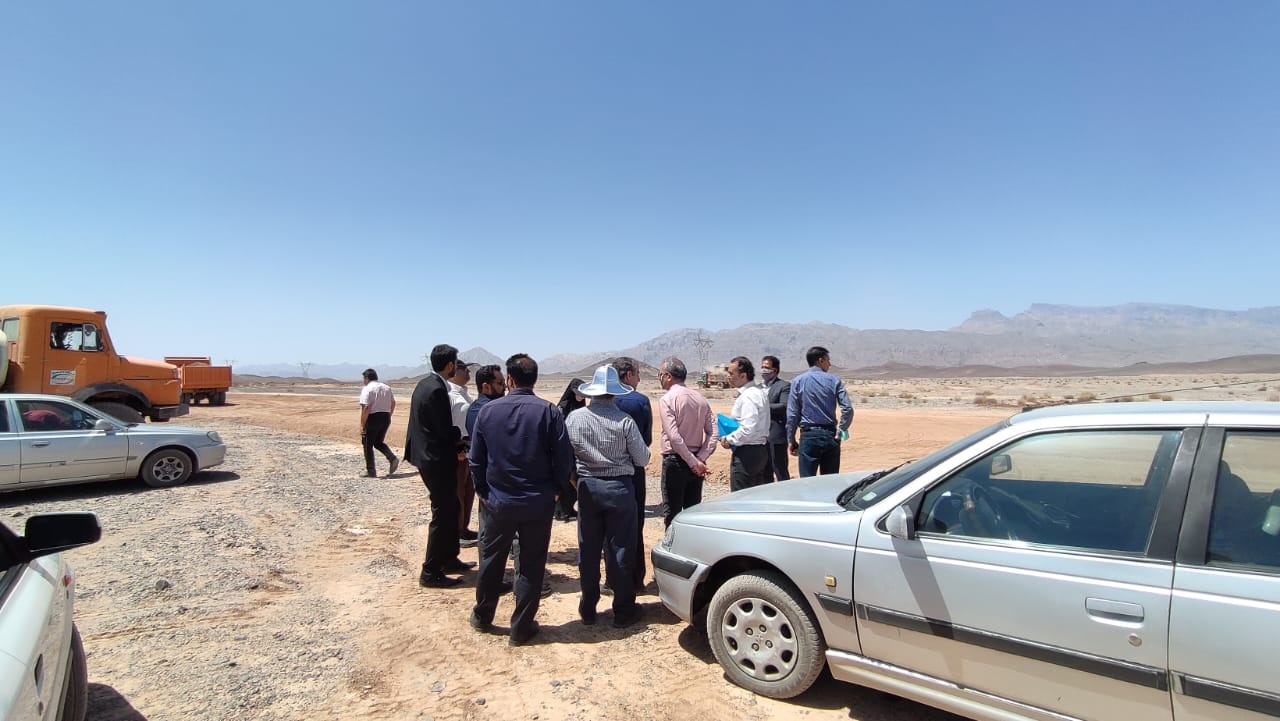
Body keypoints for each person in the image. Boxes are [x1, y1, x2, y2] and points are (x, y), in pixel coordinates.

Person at [467, 354, 574, 646]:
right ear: (534, 380)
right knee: (531, 563)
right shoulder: (549, 412)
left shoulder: (488, 412)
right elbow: (564, 459)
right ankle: (521, 627)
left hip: (498, 502)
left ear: (510, 380)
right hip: (537, 502)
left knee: (492, 559)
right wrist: (556, 490)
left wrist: (483, 492)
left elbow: (476, 460)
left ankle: (483, 616)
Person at [565, 365, 651, 628]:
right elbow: (643, 458)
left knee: (589, 549)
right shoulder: (624, 421)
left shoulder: (575, 419)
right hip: (619, 488)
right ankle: (623, 610)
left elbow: (565, 456)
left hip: (588, 488)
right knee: (620, 549)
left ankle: (588, 607)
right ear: (614, 393)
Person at [406, 344, 473, 588]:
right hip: (435, 459)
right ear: (449, 365)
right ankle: (431, 571)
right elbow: (444, 429)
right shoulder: (436, 389)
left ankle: (449, 558)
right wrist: (461, 437)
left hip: (427, 455)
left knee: (452, 506)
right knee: (443, 512)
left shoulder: (426, 384)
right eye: (456, 363)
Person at [656, 357, 718, 527]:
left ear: (668, 376)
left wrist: (693, 462)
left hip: (676, 462)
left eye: (660, 375)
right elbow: (713, 433)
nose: (659, 378)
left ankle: (672, 544)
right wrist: (699, 459)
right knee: (692, 513)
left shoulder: (667, 399)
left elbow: (674, 437)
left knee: (672, 514)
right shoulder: (701, 399)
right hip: (697, 463)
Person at [611, 357, 653, 588]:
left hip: (606, 472)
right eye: (637, 374)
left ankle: (613, 579)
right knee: (635, 525)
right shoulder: (640, 401)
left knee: (610, 527)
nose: (639, 378)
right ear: (628, 375)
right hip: (634, 470)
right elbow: (646, 439)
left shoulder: (603, 400)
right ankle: (635, 579)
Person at [786, 346, 854, 477]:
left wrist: (791, 439)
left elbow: (792, 414)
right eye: (828, 360)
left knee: (807, 482)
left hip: (809, 436)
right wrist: (841, 430)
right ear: (821, 360)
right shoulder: (834, 380)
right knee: (830, 481)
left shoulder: (798, 381)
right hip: (831, 436)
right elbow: (848, 408)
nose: (830, 364)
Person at [719, 356, 770, 491]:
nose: (728, 376)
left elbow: (748, 429)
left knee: (741, 496)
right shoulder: (757, 392)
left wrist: (728, 439)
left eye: (731, 373)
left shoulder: (748, 396)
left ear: (743, 376)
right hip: (759, 451)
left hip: (747, 454)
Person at [447, 360, 478, 546]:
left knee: (468, 490)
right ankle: (455, 532)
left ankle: (464, 527)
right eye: (464, 369)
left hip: (468, 447)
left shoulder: (465, 393)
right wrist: (454, 447)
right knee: (457, 491)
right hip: (456, 448)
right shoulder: (449, 394)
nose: (468, 372)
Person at [553, 378, 587, 521]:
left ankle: (569, 508)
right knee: (566, 479)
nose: (581, 397)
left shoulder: (581, 406)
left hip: (576, 448)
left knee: (574, 480)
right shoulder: (562, 408)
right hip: (564, 449)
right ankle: (560, 511)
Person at [358, 369, 399, 478]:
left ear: (367, 378)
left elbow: (366, 407)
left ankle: (371, 471)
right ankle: (392, 458)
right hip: (385, 417)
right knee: (378, 442)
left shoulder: (367, 388)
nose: (363, 381)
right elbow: (393, 403)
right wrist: (389, 415)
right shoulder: (386, 387)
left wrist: (362, 425)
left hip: (373, 418)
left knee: (367, 444)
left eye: (364, 378)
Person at [760, 355, 791, 481]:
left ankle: (786, 492)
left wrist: (762, 407)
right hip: (759, 436)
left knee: (779, 469)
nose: (763, 370)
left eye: (766, 367)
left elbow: (784, 406)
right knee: (763, 471)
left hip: (776, 435)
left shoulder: (784, 386)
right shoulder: (757, 388)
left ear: (775, 370)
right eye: (762, 367)